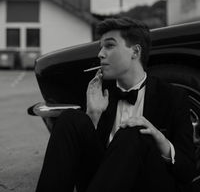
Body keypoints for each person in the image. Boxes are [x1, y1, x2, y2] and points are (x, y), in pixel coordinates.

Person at [35, 17, 196, 192]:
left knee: (134, 132)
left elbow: (187, 171)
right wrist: (92, 117)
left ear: (135, 51)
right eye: (101, 47)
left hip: (147, 183)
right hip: (102, 182)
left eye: (109, 46)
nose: (100, 54)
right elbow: (88, 160)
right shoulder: (100, 94)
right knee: (70, 119)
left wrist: (159, 138)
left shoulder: (173, 96)